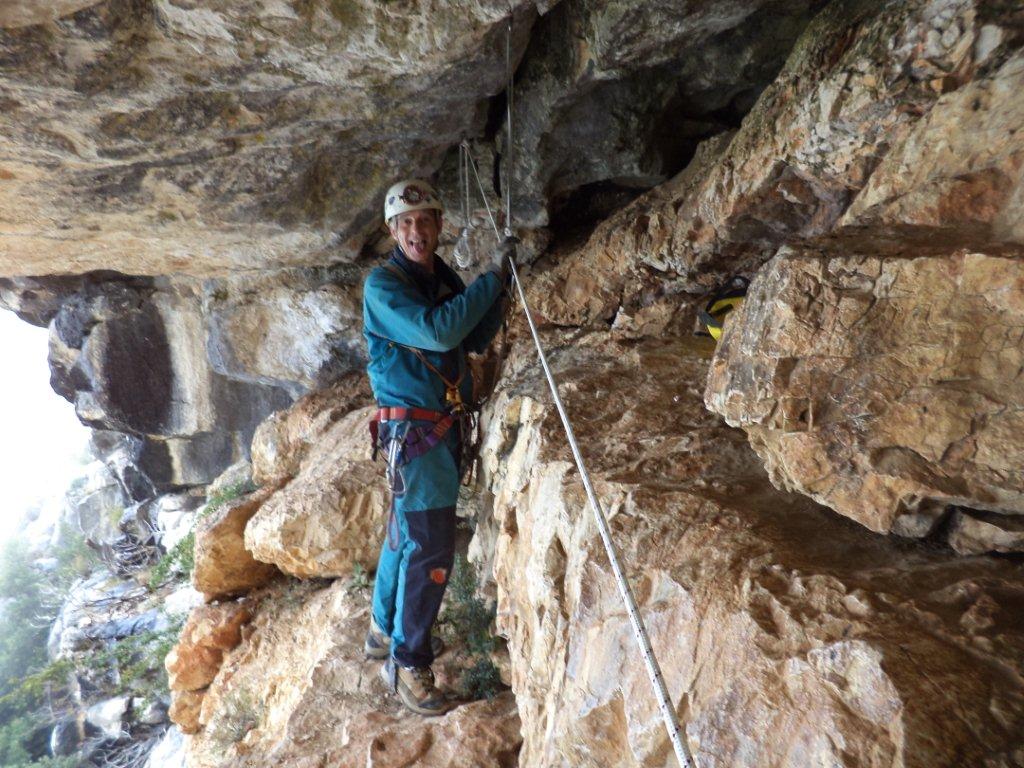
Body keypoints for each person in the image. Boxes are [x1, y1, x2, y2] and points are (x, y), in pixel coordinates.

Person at [361, 178, 511, 716]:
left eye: (425, 220)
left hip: (433, 432)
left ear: (438, 225)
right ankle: (408, 663)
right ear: (392, 231)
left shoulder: (438, 276)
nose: (416, 231)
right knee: (430, 550)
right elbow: (440, 331)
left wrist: (500, 289)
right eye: (405, 223)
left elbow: (470, 337)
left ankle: (382, 630)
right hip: (418, 435)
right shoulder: (384, 286)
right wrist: (489, 278)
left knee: (407, 535)